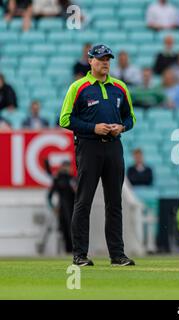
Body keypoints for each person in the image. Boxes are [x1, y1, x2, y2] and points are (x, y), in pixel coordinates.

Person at [59, 44, 136, 267]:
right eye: (101, 58)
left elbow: (130, 118)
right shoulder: (78, 87)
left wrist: (121, 128)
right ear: (90, 61)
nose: (105, 62)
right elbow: (65, 119)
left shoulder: (119, 87)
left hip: (113, 147)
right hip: (88, 147)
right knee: (83, 201)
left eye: (108, 59)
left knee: (115, 203)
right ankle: (80, 255)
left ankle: (117, 255)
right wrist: (94, 128)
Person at [47, 160, 76, 253]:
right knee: (64, 230)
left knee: (73, 230)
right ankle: (68, 251)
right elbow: (49, 196)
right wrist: (52, 207)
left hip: (73, 209)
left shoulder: (73, 180)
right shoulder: (58, 179)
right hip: (63, 209)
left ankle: (74, 250)